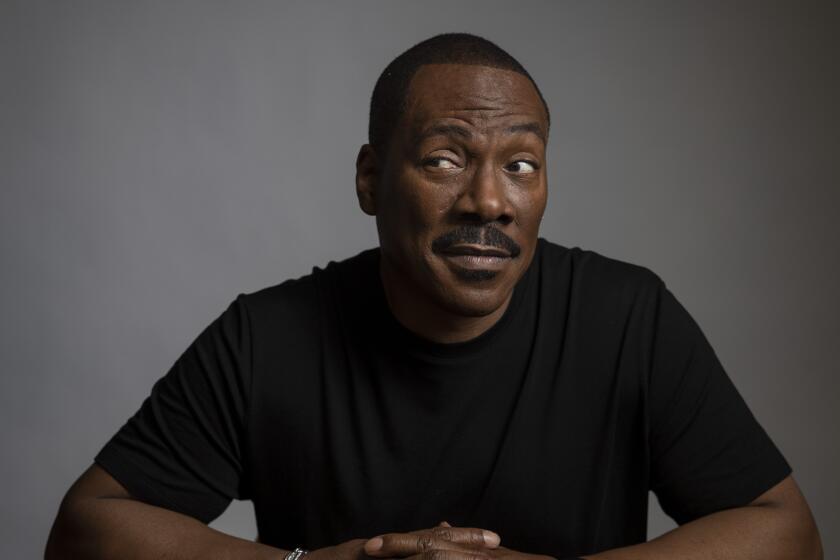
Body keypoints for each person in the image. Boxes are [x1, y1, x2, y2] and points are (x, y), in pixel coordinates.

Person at [45, 33, 822, 560]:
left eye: (521, 164)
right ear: (370, 180)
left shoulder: (627, 317)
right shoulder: (269, 336)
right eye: (446, 158)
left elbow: (787, 533)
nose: (490, 201)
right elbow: (87, 526)